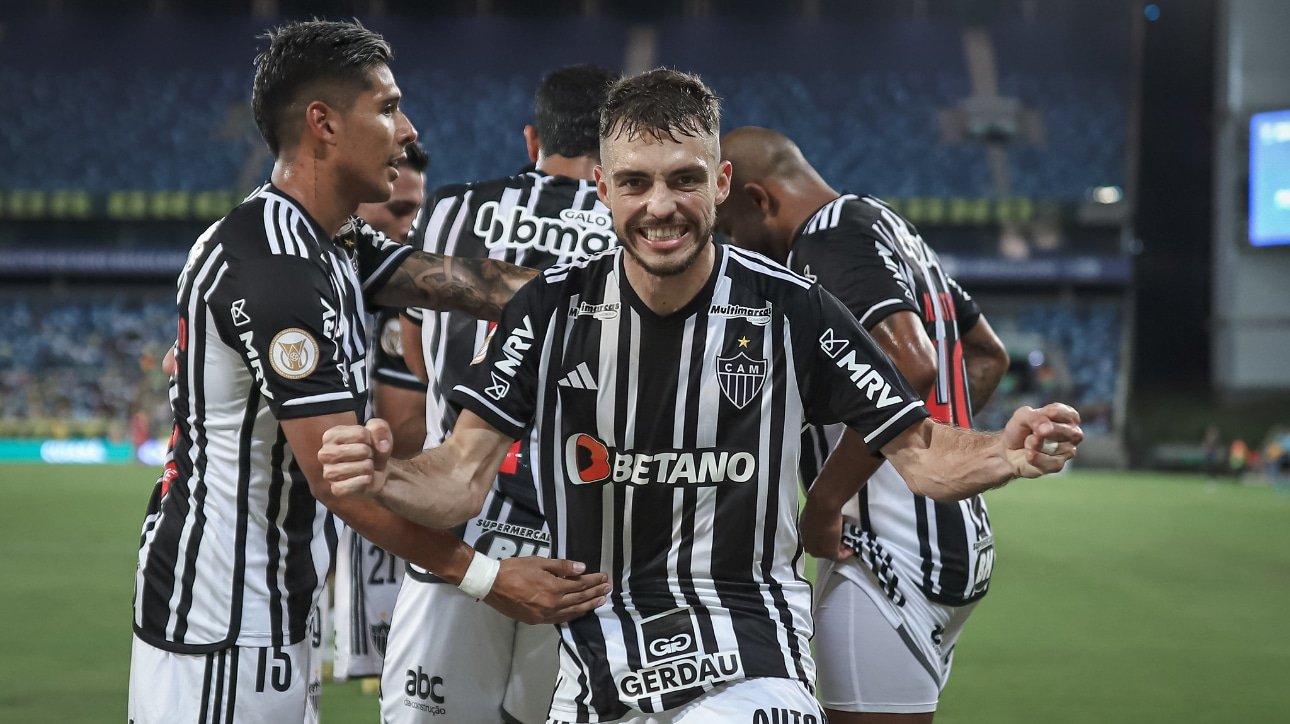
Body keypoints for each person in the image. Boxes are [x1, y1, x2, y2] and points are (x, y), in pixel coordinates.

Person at [317, 68, 1083, 724]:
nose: (661, 207)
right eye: (636, 182)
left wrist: (1002, 450)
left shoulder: (792, 308)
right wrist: (385, 473)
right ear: (602, 189)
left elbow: (919, 452)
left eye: (684, 178)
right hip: (598, 663)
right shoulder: (551, 311)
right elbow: (457, 475)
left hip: (750, 655)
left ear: (720, 183)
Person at [127, 21, 608, 724]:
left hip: (271, 608)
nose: (407, 131)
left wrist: (624, 295)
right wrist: (489, 578)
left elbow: (467, 283)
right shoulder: (276, 268)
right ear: (323, 124)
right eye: (386, 107)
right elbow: (342, 485)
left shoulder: (330, 241)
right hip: (223, 627)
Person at [716, 126, 1011, 723]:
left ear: (758, 199)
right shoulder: (884, 223)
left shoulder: (824, 241)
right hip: (955, 537)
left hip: (881, 553)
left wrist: (824, 504)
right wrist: (935, 441)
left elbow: (911, 364)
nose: (727, 244)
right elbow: (987, 355)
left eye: (727, 227)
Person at [381, 64, 620, 723]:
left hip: (456, 527)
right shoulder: (631, 230)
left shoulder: (450, 211)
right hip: (582, 541)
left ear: (530, 138)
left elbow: (413, 350)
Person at [331, 139, 429, 685]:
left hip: (374, 507)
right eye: (398, 209)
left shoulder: (397, 298)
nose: (410, 226)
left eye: (417, 208)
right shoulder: (312, 274)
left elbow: (404, 434)